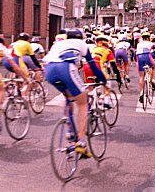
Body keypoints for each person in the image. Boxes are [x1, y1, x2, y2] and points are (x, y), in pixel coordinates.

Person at [43, 29, 108, 158]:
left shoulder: (58, 44)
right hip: (65, 68)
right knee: (83, 102)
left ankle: (70, 131)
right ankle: (81, 143)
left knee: (69, 97)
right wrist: (104, 80)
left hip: (49, 70)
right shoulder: (82, 44)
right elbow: (93, 67)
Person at [82, 35, 121, 108]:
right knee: (107, 83)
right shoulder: (108, 51)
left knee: (91, 87)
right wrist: (118, 77)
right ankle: (106, 101)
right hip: (97, 66)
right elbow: (113, 66)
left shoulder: (93, 49)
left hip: (86, 66)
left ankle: (90, 105)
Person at [136, 32, 155, 103]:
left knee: (141, 76)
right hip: (147, 55)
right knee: (154, 67)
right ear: (148, 38)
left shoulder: (139, 44)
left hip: (139, 57)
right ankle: (153, 81)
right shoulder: (151, 43)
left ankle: (141, 93)